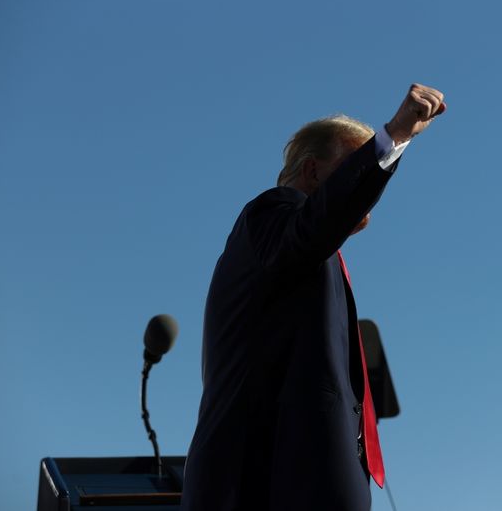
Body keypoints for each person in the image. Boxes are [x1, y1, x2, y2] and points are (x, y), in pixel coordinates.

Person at [180, 83, 446, 511]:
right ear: (313, 172)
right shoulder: (272, 213)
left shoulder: (307, 254)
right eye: (350, 163)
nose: (366, 184)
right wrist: (393, 136)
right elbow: (313, 228)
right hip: (272, 477)